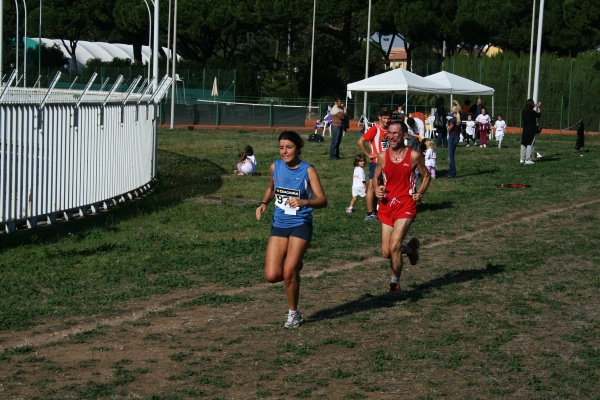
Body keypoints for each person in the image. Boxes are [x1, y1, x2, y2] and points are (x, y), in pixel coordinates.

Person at [255, 131, 328, 329]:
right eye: (281, 148)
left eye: (289, 147)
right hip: (279, 225)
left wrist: (304, 201)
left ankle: (293, 314)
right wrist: (263, 203)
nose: (284, 152)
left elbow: (323, 200)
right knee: (271, 275)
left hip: (300, 224)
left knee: (288, 272)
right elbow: (272, 188)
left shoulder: (308, 170)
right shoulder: (275, 166)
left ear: (298, 147)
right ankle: (295, 270)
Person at [373, 121, 431, 295]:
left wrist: (420, 192)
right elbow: (376, 177)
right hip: (386, 205)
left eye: (395, 133)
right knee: (386, 252)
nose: (391, 136)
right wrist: (377, 189)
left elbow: (426, 175)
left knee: (395, 246)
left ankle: (394, 284)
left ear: (405, 136)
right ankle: (411, 249)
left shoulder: (414, 156)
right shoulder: (382, 156)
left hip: (405, 204)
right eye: (389, 133)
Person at [357, 107, 391, 221]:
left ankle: (376, 211)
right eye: (384, 118)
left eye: (388, 118)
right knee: (372, 187)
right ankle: (369, 213)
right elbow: (360, 141)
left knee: (380, 186)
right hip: (376, 162)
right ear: (380, 117)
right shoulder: (375, 129)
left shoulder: (389, 129)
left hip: (387, 162)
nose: (387, 120)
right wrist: (369, 154)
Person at [520, 99, 542, 164]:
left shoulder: (523, 111)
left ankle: (522, 159)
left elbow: (529, 107)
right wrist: (539, 107)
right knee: (530, 144)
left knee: (524, 143)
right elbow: (539, 115)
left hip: (525, 129)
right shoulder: (532, 112)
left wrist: (535, 105)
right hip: (531, 130)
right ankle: (528, 159)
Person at [447, 105, 462, 178]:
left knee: (450, 157)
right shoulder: (459, 118)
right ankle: (451, 171)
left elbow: (449, 129)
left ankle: (452, 172)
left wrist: (448, 126)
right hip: (457, 136)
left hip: (452, 137)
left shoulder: (453, 120)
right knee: (452, 155)